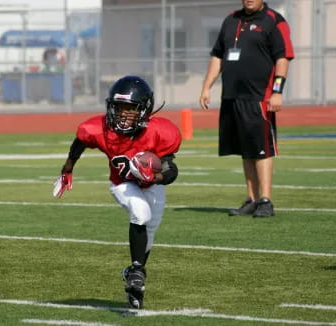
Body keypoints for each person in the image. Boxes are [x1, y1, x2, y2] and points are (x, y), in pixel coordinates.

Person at [53, 75, 181, 309]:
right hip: (122, 184)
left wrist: (157, 176)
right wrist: (67, 169)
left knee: (149, 232)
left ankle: (134, 277)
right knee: (140, 214)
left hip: (152, 185)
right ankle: (138, 271)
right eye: (119, 108)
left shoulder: (160, 132)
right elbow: (79, 143)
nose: (123, 115)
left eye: (130, 110)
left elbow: (171, 170)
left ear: (144, 110)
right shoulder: (98, 128)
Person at [199, 0, 294, 217]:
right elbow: (218, 55)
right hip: (232, 97)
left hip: (259, 97)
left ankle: (266, 200)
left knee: (261, 149)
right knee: (246, 150)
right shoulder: (231, 20)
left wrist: (277, 91)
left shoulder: (274, 21)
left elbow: (283, 57)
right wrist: (206, 87)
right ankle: (251, 199)